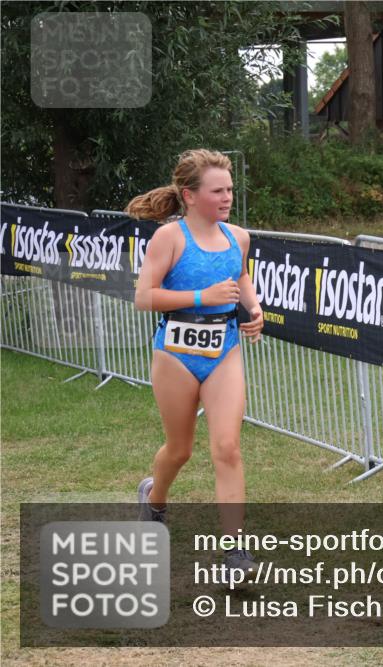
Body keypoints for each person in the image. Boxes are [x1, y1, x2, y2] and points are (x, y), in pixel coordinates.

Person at [128, 148, 264, 576]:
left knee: (227, 448)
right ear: (189, 195)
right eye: (217, 191)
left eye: (230, 190)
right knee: (180, 450)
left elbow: (241, 275)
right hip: (176, 352)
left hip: (224, 350)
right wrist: (201, 298)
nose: (227, 198)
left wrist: (254, 309)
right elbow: (144, 296)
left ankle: (235, 553)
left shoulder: (237, 237)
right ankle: (154, 497)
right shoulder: (169, 238)